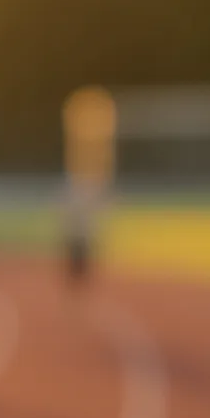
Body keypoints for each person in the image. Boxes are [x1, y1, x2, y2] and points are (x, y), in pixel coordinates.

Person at [60, 85, 116, 289]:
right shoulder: (73, 184)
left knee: (83, 266)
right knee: (75, 268)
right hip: (76, 232)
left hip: (83, 233)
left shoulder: (88, 183)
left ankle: (81, 285)